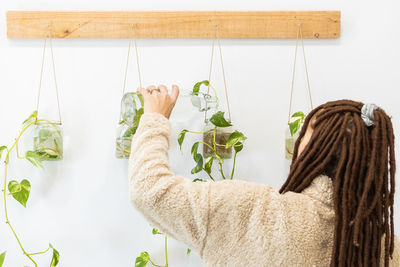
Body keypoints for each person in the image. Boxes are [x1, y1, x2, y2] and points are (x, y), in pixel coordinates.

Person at [128, 84, 400, 267]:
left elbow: (149, 189)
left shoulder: (252, 211)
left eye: (306, 132)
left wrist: (155, 118)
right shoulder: (385, 248)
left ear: (312, 149)